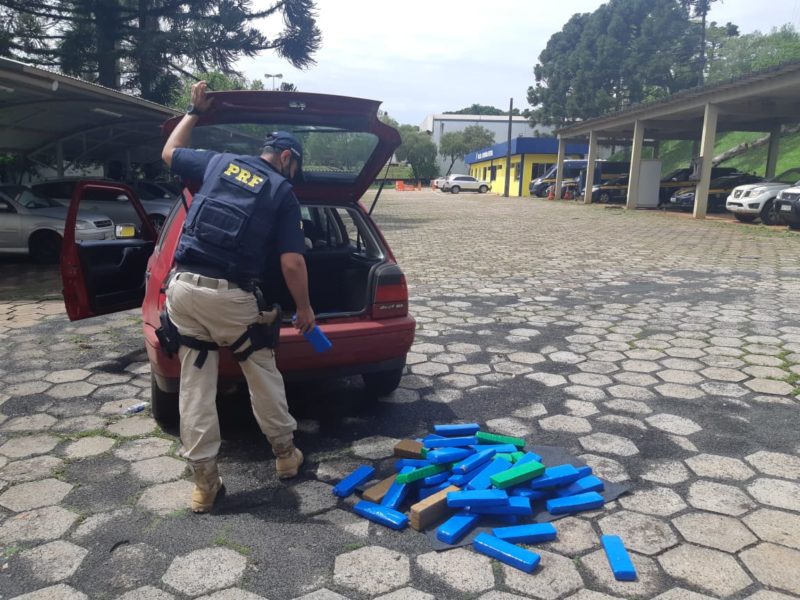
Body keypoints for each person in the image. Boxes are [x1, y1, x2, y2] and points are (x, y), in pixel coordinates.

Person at [161, 80, 315, 513]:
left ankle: (204, 484)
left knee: (195, 385)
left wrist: (193, 112)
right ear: (287, 157)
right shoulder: (281, 191)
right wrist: (303, 308)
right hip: (230, 298)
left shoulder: (219, 163)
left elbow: (169, 153)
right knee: (260, 367)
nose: (294, 176)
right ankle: (285, 456)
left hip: (184, 291)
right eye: (296, 168)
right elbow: (292, 264)